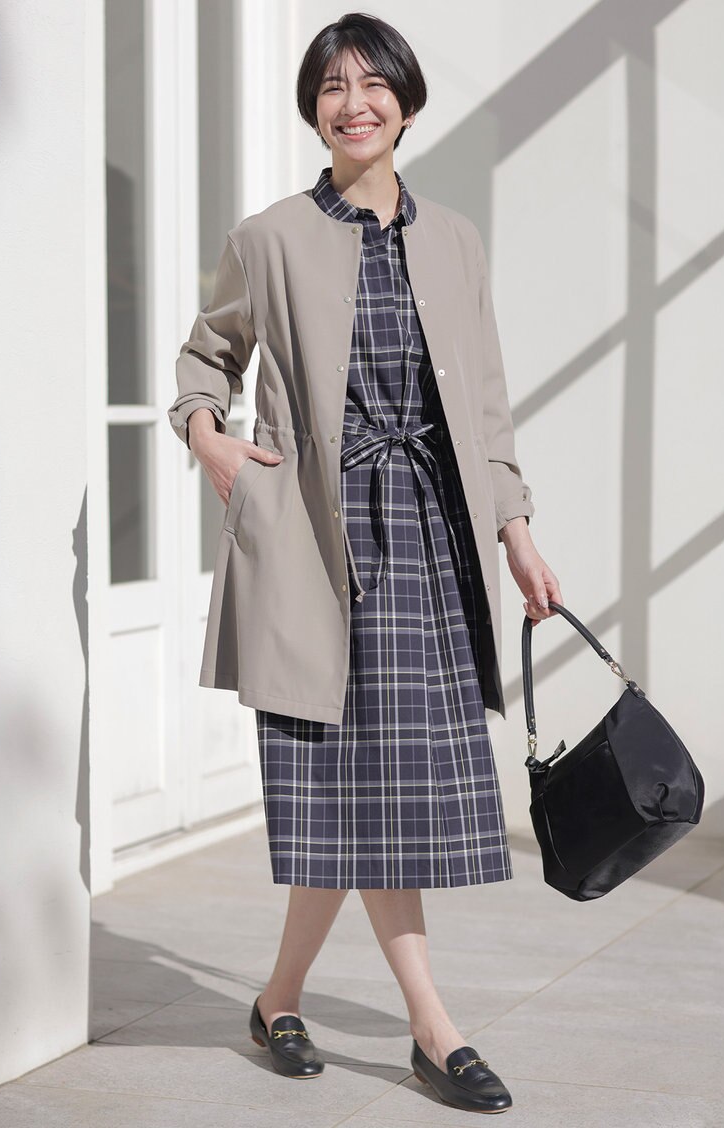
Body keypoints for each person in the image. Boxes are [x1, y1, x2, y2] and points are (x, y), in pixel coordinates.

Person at [175, 12, 562, 1115]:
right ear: (314, 111)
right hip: (316, 539)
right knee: (361, 790)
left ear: (406, 101)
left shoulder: (456, 241)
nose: (354, 103)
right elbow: (205, 360)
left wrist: (515, 528)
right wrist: (208, 437)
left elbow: (485, 403)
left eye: (372, 83)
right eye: (332, 86)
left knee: (367, 795)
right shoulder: (268, 238)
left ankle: (276, 1001)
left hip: (429, 541)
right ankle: (434, 1029)